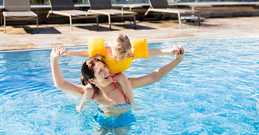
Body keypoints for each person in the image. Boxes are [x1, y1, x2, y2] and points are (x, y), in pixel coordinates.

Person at [50, 45, 184, 118]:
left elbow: (154, 76)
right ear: (92, 80)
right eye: (100, 72)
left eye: (104, 68)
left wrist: (177, 60)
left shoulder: (123, 85)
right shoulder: (91, 92)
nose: (106, 72)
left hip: (123, 121)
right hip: (102, 122)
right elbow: (60, 84)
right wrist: (54, 59)